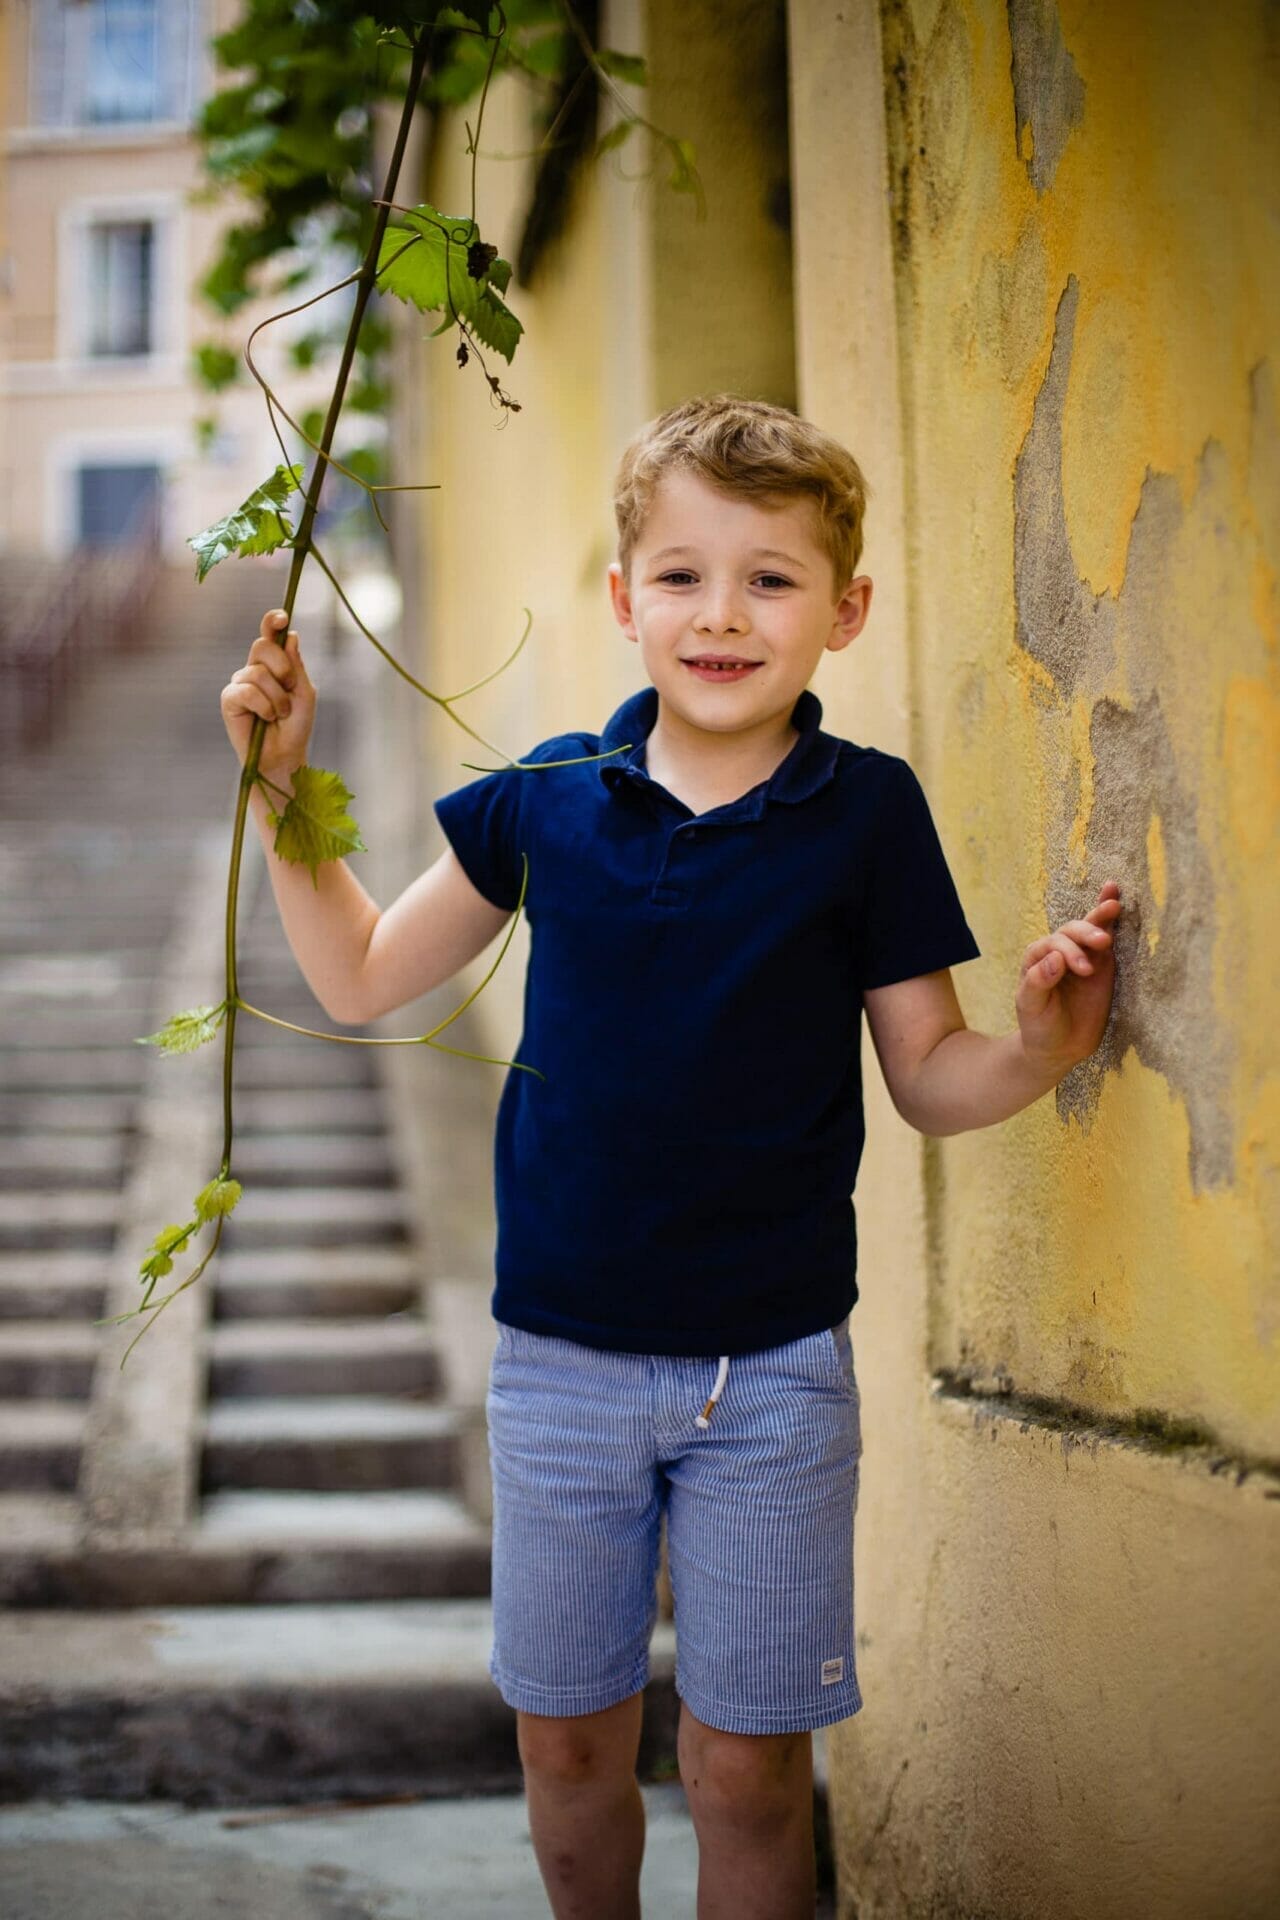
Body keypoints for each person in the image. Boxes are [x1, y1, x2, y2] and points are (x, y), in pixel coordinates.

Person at [222, 394, 1123, 1920]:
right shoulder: (547, 800)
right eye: (684, 575)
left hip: (772, 1376)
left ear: (845, 611)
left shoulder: (866, 813)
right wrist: (281, 785)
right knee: (569, 1744)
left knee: (746, 1766)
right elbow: (363, 975)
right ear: (624, 596)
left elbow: (929, 1076)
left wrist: (1040, 1049)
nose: (722, 615)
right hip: (560, 1366)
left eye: (770, 579)